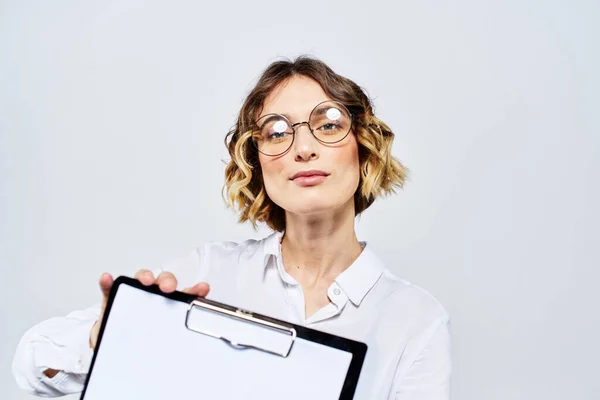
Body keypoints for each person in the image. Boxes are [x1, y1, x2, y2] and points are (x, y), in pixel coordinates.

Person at [12, 56, 451, 399]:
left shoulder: (415, 321)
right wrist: (104, 334)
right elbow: (32, 366)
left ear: (364, 146)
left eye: (329, 124)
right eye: (276, 133)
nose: (303, 148)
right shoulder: (208, 273)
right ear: (256, 163)